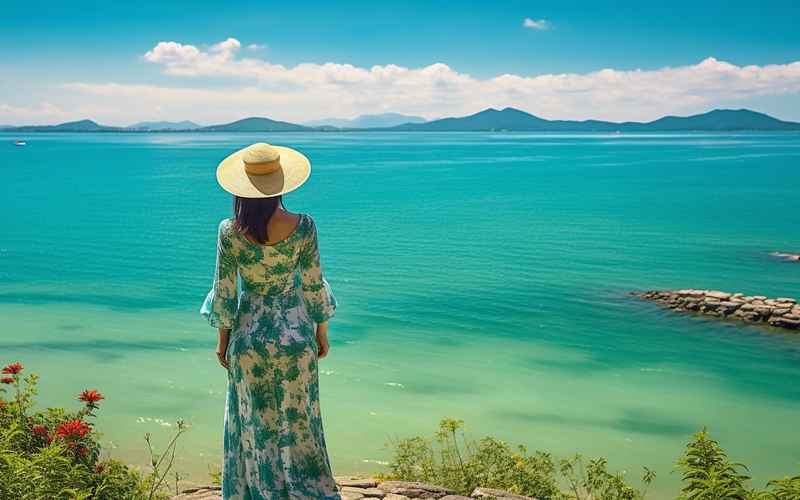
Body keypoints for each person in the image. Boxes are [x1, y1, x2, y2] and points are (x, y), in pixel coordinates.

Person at [200, 142, 340, 499]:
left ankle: (258, 489)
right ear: (281, 183)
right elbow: (313, 284)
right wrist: (321, 331)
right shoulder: (304, 226)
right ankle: (305, 487)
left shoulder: (229, 232)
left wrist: (223, 343)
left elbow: (225, 292)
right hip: (294, 334)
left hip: (249, 339)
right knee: (299, 421)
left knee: (253, 422)